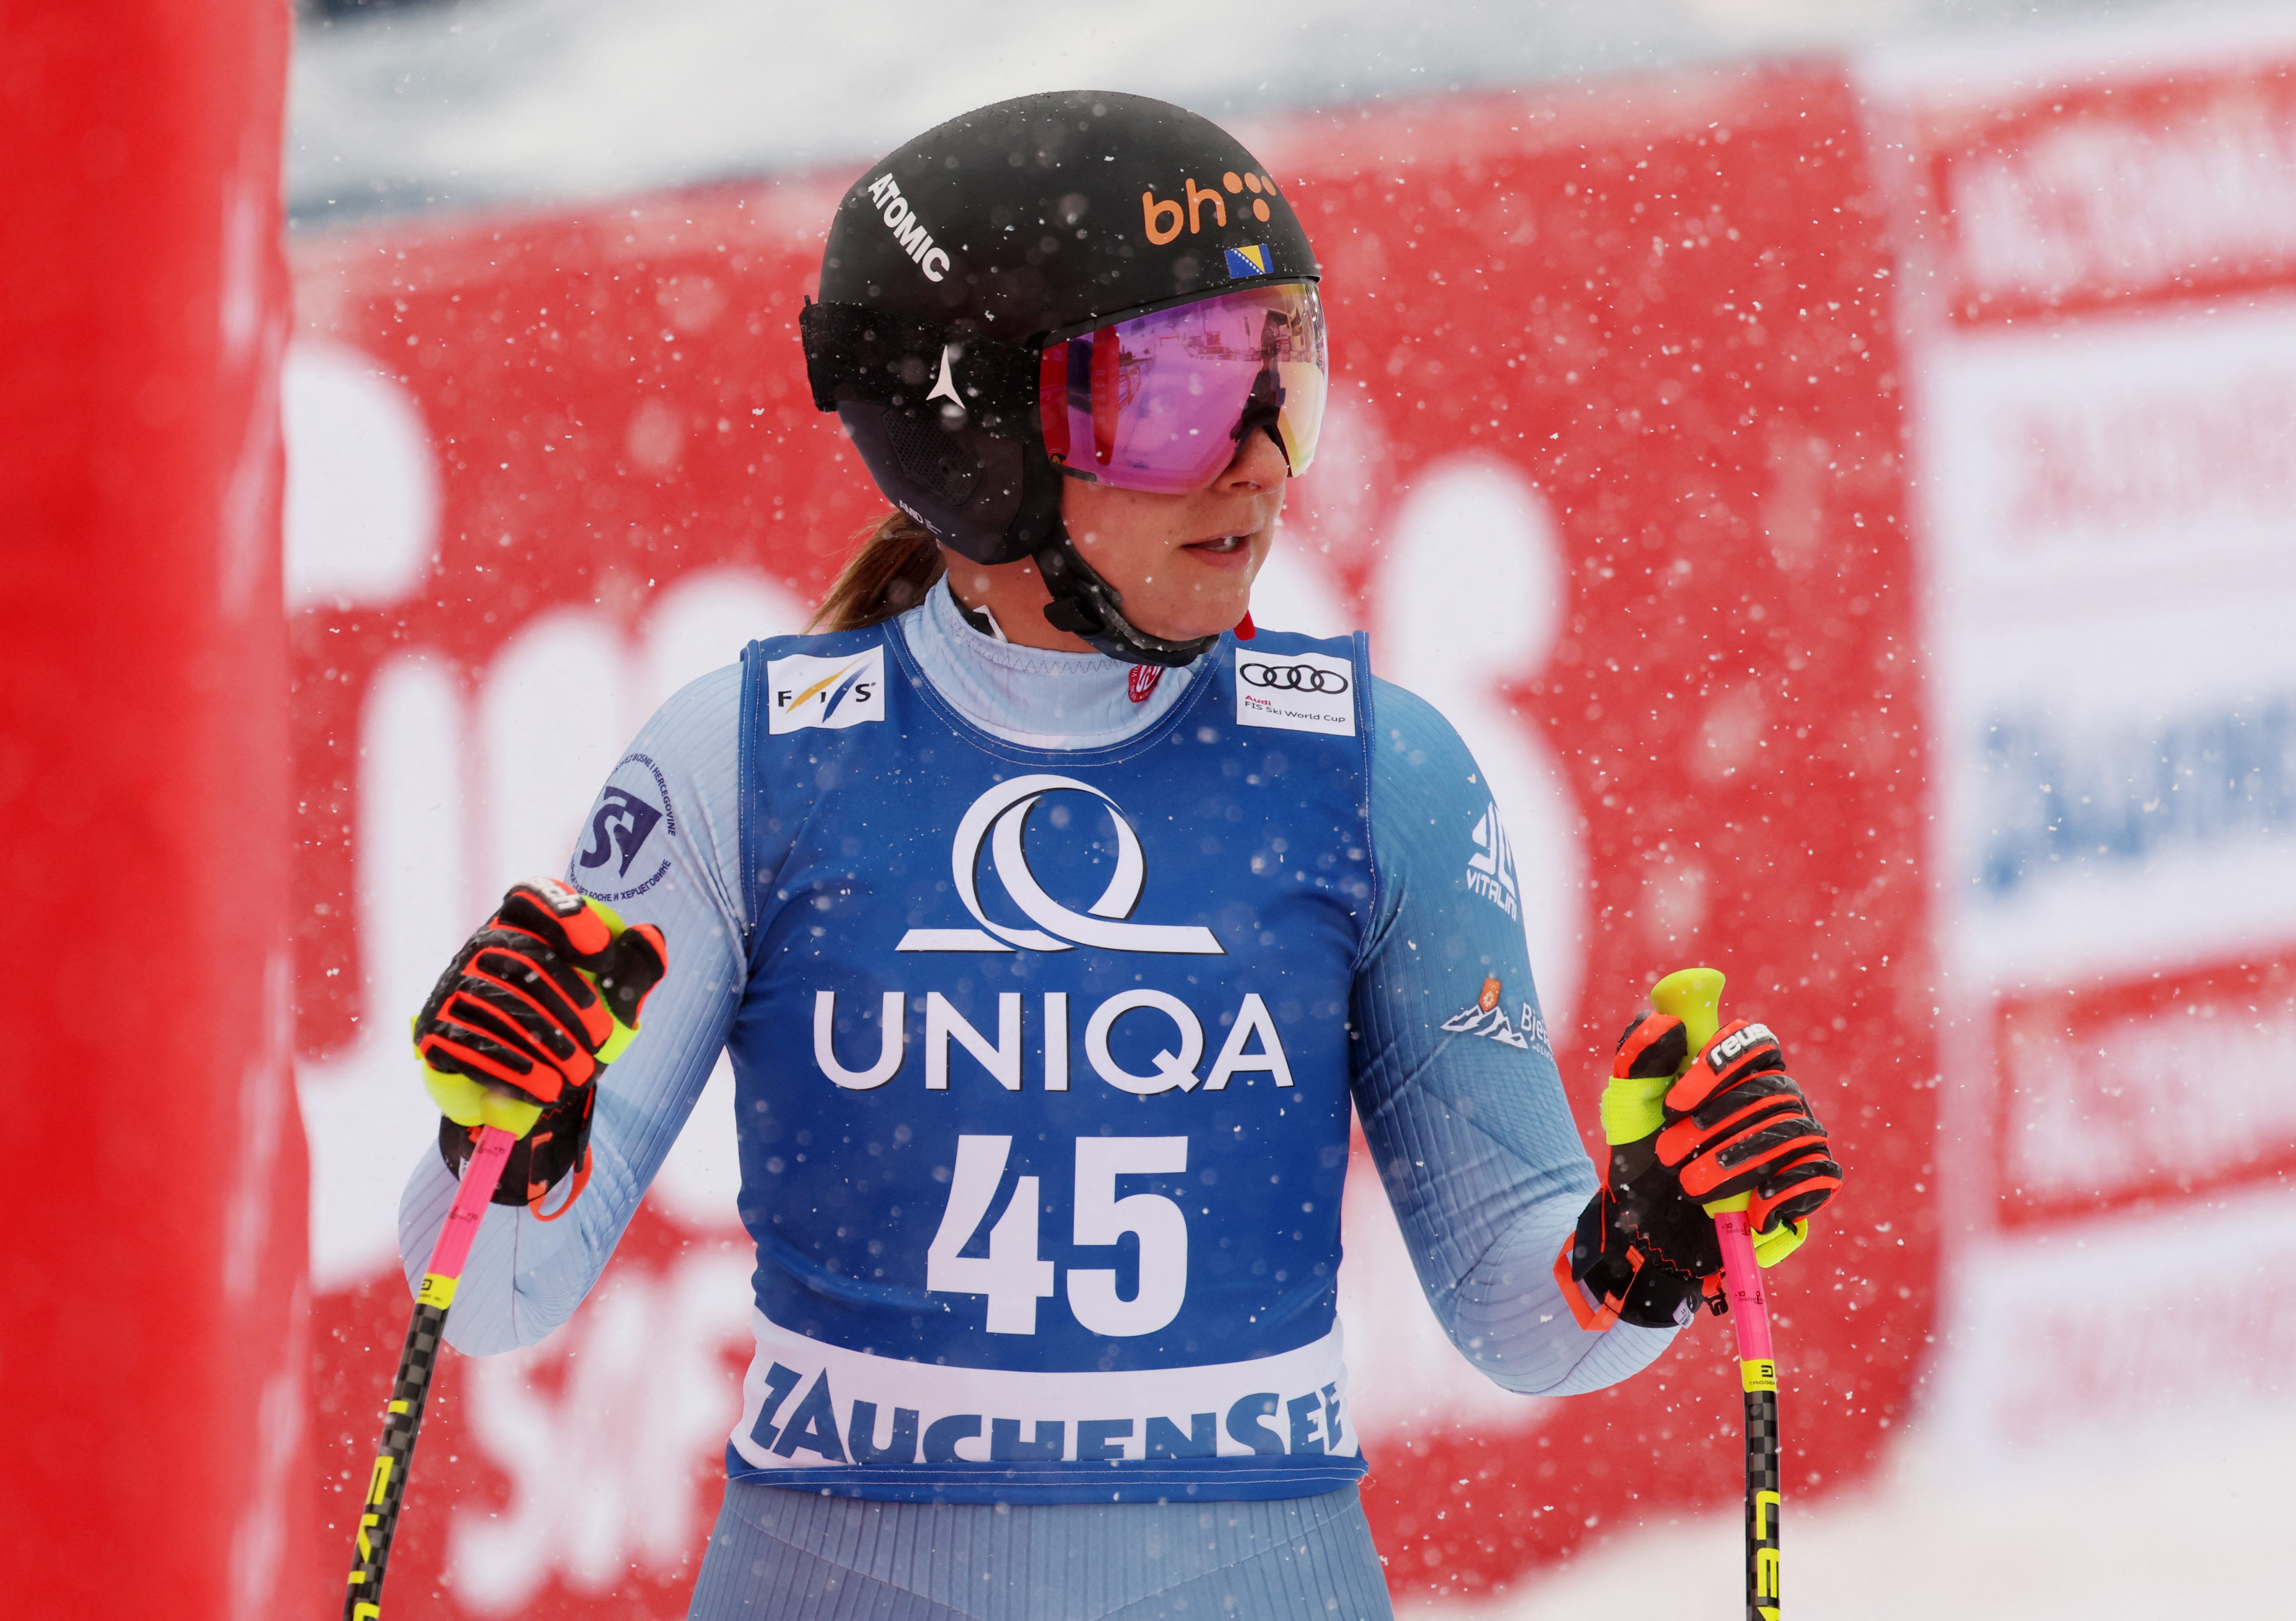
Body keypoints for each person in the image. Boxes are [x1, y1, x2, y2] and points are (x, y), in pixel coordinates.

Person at [399, 91, 1843, 1620]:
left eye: (1283, 378)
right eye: (1172, 402)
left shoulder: (1379, 773)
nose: (1261, 462)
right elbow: (491, 1292)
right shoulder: (744, 763)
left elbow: (1521, 1315)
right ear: (976, 437)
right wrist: (505, 1134)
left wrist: (1651, 1242)